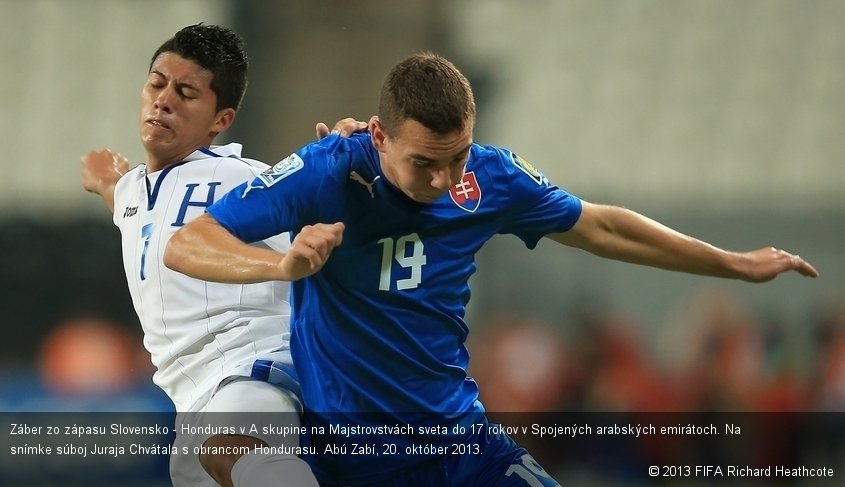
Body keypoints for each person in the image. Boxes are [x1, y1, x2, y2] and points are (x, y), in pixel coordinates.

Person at [164, 52, 819, 486]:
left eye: (457, 156)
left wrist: (731, 263)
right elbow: (189, 244)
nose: (446, 179)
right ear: (379, 135)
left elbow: (599, 224)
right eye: (425, 162)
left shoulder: (492, 176)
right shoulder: (327, 170)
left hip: (460, 443)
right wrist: (283, 263)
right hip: (351, 455)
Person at [80, 23, 364, 487]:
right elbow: (131, 204)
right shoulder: (133, 189)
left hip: (256, 366)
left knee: (230, 447)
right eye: (157, 83)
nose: (163, 100)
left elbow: (320, 205)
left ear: (221, 120)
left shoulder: (242, 178)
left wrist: (339, 161)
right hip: (193, 399)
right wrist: (102, 177)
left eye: (186, 92)